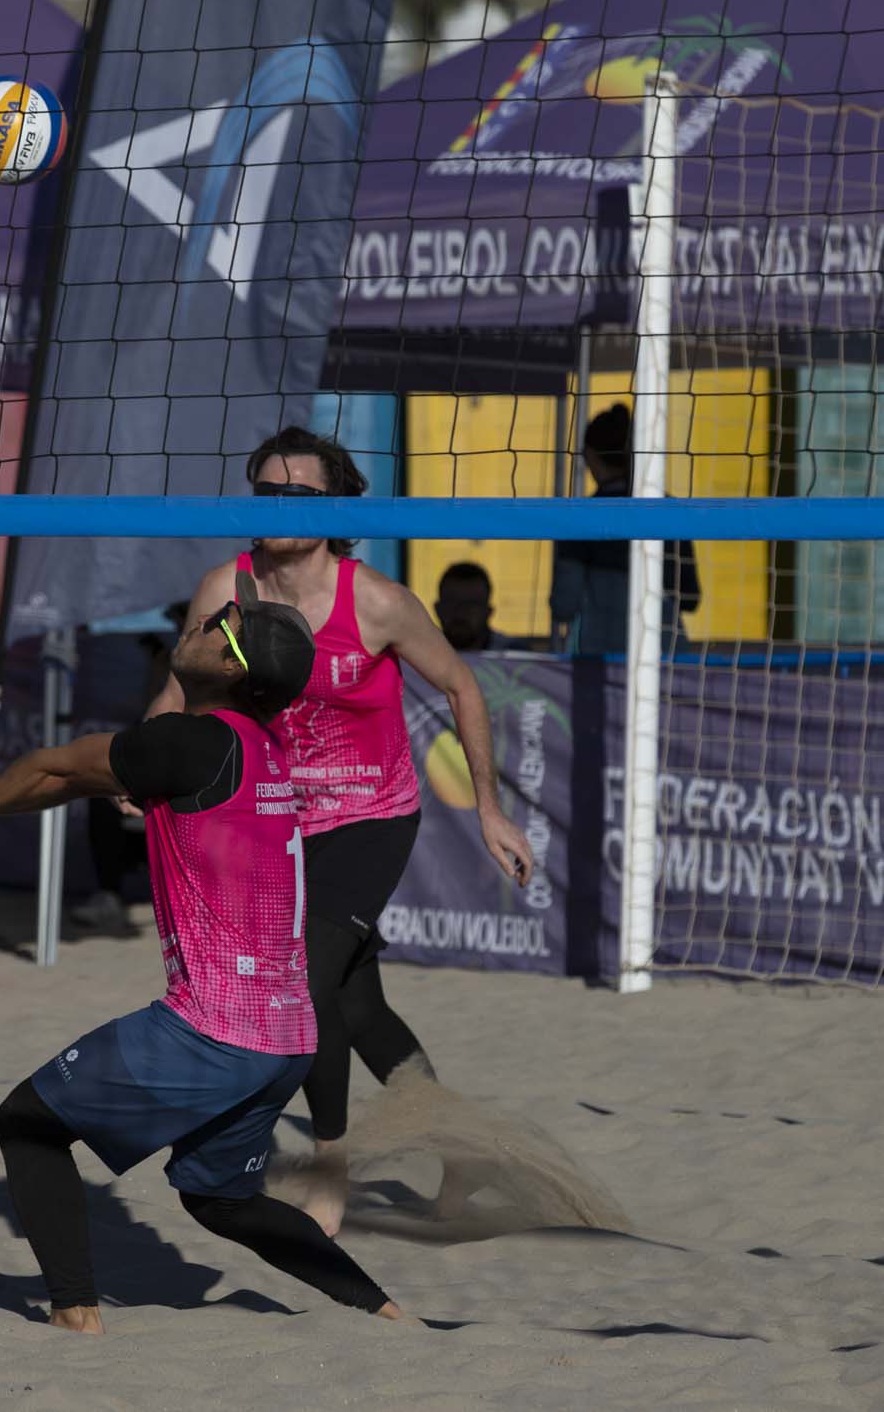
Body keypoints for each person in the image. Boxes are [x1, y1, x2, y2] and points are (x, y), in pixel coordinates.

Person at [0, 572, 402, 1333]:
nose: (202, 621)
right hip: (287, 1037)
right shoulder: (262, 747)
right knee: (220, 1199)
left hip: (213, 1031)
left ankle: (75, 1311)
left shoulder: (191, 743)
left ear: (232, 665)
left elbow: (56, 769)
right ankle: (386, 1311)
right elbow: (84, 780)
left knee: (28, 1123)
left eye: (221, 623)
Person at [145, 425, 534, 1238]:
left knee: (307, 981)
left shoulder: (377, 602)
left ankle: (330, 1167)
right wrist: (145, 758)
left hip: (371, 816)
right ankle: (463, 1152)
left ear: (335, 508)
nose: (282, 506)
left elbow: (463, 686)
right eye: (269, 492)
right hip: (278, 820)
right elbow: (179, 691)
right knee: (360, 1009)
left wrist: (491, 810)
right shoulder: (228, 587)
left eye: (302, 494)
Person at [70, 603, 188, 937]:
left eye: (180, 618)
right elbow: (154, 721)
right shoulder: (167, 658)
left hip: (196, 767)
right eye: (176, 619)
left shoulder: (210, 660)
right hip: (163, 758)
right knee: (104, 791)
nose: (178, 625)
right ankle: (109, 894)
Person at [550, 402, 701, 655]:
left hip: (601, 659)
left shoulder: (580, 519)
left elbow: (564, 604)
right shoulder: (669, 511)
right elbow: (690, 596)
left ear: (589, 456)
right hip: (666, 652)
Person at [434, 562, 525, 652]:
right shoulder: (425, 653)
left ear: (488, 612)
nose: (461, 611)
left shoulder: (516, 655)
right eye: (451, 602)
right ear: (438, 609)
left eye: (471, 604)